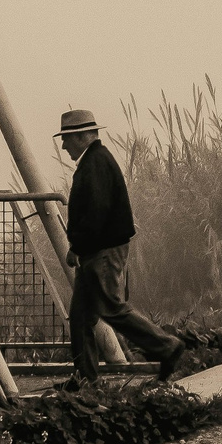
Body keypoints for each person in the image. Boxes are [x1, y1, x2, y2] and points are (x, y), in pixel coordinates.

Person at [54, 108, 188, 384]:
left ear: (80, 137)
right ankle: (84, 380)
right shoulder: (96, 161)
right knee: (80, 318)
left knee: (110, 308)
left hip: (101, 252)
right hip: (98, 249)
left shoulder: (95, 165)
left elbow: (95, 213)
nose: (64, 144)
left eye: (67, 138)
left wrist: (77, 246)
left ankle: (166, 346)